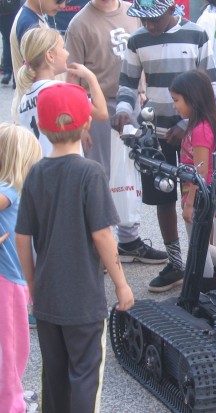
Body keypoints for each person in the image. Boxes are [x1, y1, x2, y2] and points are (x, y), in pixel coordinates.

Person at [15, 82, 135, 413]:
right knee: (84, 374)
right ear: (86, 124)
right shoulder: (90, 173)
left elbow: (22, 237)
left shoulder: (35, 173)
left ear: (41, 125)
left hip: (48, 296)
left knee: (53, 376)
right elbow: (102, 235)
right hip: (83, 300)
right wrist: (121, 284)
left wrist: (31, 284)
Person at [111, 0, 216, 292]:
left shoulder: (197, 35)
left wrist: (187, 123)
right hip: (154, 134)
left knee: (199, 200)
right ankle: (175, 263)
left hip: (194, 133)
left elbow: (211, 85)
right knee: (161, 199)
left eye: (154, 18)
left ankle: (203, 263)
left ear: (172, 10)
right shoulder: (137, 40)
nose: (149, 25)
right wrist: (122, 108)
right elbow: (127, 84)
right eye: (144, 20)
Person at [64, 0, 167, 266]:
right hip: (97, 107)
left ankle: (129, 240)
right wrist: (79, 119)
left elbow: (142, 55)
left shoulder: (133, 12)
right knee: (100, 174)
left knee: (131, 172)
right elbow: (72, 78)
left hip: (131, 102)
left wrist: (142, 90)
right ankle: (100, 243)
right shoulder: (79, 23)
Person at [0, 124, 41, 413]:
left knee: (17, 344)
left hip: (14, 278)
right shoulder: (8, 190)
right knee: (11, 346)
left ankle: (12, 391)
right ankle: (9, 402)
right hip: (7, 280)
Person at [15, 26, 108, 156]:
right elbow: (102, 113)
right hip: (63, 167)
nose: (67, 53)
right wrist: (90, 77)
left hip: (37, 166)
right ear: (50, 56)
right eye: (63, 48)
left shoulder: (25, 97)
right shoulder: (60, 90)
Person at [168, 69, 216, 290]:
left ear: (192, 97)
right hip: (195, 195)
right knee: (199, 243)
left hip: (199, 197)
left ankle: (205, 290)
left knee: (198, 246)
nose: (174, 106)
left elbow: (200, 172)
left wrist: (189, 204)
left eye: (176, 100)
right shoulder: (196, 125)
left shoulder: (201, 129)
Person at [9, 0, 68, 119]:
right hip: (37, 112)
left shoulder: (33, 15)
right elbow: (39, 71)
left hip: (35, 107)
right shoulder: (29, 24)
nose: (63, 5)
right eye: (59, 0)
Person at [0, 0, 20, 86]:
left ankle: (7, 72)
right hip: (17, 9)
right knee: (18, 41)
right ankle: (16, 77)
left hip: (3, 11)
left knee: (7, 40)